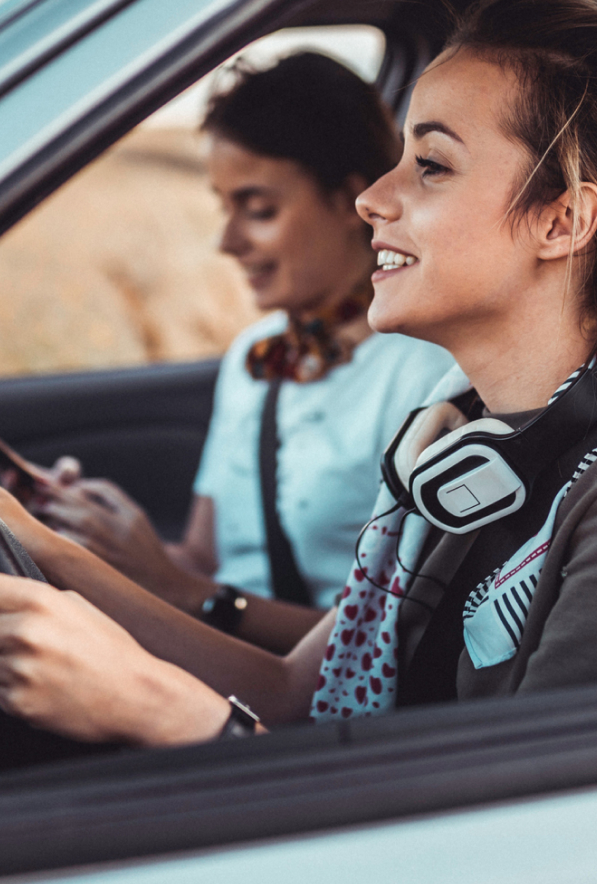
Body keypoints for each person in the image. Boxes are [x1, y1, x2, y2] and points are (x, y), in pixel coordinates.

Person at [0, 0, 597, 747]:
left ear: (563, 220)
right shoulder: (465, 448)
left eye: (430, 165)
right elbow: (290, 696)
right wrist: (43, 546)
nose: (373, 199)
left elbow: (529, 848)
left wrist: (161, 710)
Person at [29, 52, 454, 653]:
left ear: (352, 199)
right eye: (223, 207)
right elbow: (203, 558)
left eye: (258, 210)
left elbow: (393, 640)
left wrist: (180, 589)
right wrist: (103, 537)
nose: (228, 243)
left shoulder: (428, 374)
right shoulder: (255, 354)